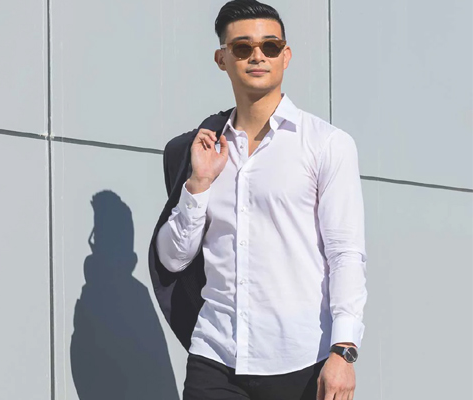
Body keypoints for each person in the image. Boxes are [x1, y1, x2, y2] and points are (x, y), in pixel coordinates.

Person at [148, 1, 367, 399]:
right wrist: (198, 184)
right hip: (215, 356)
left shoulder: (326, 144)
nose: (257, 56)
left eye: (270, 46)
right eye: (242, 47)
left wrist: (344, 350)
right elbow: (172, 259)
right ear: (222, 59)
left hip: (302, 359)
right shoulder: (202, 149)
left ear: (286, 55)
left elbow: (346, 254)